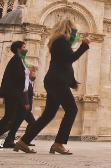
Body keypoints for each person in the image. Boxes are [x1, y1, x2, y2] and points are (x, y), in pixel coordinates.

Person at [15, 19, 90, 154]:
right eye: (74, 30)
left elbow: (62, 64)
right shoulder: (61, 42)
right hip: (57, 82)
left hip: (54, 81)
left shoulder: (59, 43)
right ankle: (58, 143)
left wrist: (72, 81)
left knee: (48, 114)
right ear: (67, 29)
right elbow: (71, 58)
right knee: (72, 110)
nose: (75, 34)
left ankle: (23, 141)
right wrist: (84, 45)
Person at [0, 41, 37, 148]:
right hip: (12, 93)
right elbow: (18, 75)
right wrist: (29, 70)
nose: (25, 49)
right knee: (9, 116)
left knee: (21, 114)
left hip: (16, 93)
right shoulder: (16, 59)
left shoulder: (19, 60)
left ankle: (9, 139)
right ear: (18, 49)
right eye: (23, 47)